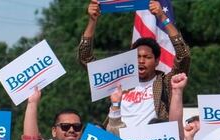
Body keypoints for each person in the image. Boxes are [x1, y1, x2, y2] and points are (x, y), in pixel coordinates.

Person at [79, 0, 191, 128]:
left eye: (147, 57)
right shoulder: (118, 80)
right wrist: (92, 21)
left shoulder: (166, 82)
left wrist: (162, 17)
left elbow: (184, 55)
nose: (141, 61)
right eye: (137, 57)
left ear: (156, 61)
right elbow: (85, 58)